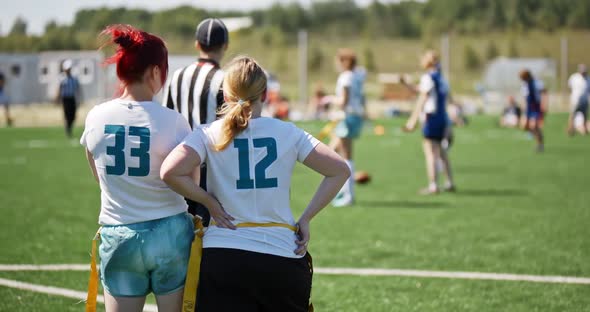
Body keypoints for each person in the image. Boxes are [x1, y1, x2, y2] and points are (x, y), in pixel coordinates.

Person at [160, 56, 350, 312]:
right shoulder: (289, 132)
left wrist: (208, 202)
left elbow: (170, 172)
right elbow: (339, 170)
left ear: (225, 96)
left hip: (222, 257)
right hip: (282, 257)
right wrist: (305, 218)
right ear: (266, 94)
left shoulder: (208, 132)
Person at [81, 25, 194, 312]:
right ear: (155, 72)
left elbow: (99, 175)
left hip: (119, 233)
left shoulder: (96, 116)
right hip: (170, 232)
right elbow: (191, 181)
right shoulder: (175, 121)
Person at [162, 17, 228, 225]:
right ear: (225, 46)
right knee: (206, 233)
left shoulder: (177, 76)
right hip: (211, 169)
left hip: (179, 164)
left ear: (197, 44)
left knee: (183, 232)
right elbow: (228, 126)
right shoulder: (224, 79)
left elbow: (166, 117)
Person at [403, 50, 455, 195]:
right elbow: (421, 91)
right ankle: (449, 182)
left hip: (431, 119)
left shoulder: (427, 77)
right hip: (442, 118)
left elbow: (422, 98)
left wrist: (412, 121)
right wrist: (406, 84)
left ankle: (433, 185)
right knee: (442, 152)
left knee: (430, 153)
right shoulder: (442, 79)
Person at [329, 49, 366, 206]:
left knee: (346, 157)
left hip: (348, 117)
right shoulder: (357, 76)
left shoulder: (345, 77)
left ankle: (348, 195)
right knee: (333, 151)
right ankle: (341, 191)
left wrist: (329, 99)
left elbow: (343, 101)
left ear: (344, 62)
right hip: (355, 116)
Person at [519, 69, 547, 152]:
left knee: (534, 126)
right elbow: (525, 98)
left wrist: (544, 104)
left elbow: (544, 93)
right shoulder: (524, 85)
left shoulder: (537, 82)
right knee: (524, 126)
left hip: (536, 107)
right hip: (528, 108)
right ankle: (537, 134)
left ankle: (540, 144)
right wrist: (523, 108)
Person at [56, 59, 81, 138]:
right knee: (67, 115)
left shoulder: (74, 78)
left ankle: (69, 127)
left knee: (73, 115)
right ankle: (68, 130)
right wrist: (57, 98)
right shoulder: (62, 78)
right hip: (65, 99)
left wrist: (79, 99)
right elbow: (59, 89)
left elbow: (78, 89)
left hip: (72, 98)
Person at [567, 64, 589, 136]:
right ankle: (570, 129)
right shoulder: (574, 77)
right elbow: (570, 87)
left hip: (584, 100)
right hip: (575, 100)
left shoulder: (588, 79)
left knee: (584, 115)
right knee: (572, 114)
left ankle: (585, 129)